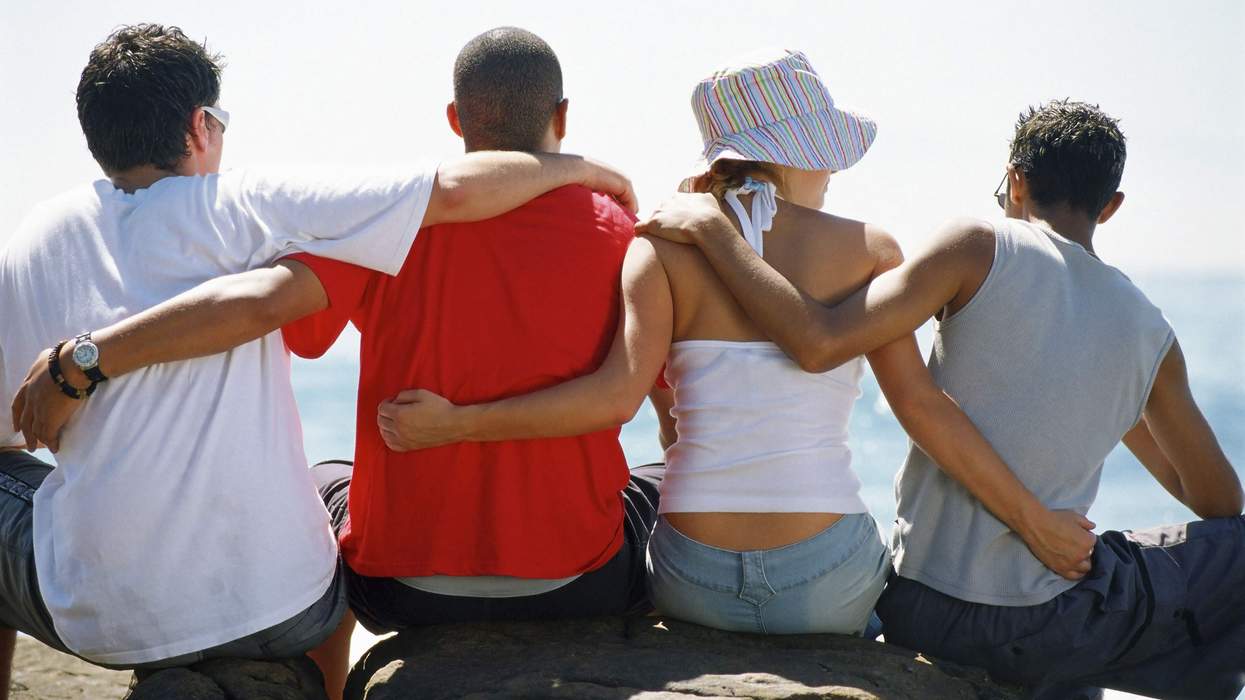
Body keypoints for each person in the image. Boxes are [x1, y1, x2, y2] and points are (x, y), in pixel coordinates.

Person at [9, 26, 648, 700]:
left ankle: (328, 686)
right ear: (563, 116)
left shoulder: (377, 231)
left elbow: (303, 334)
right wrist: (588, 173)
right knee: (648, 484)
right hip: (579, 577)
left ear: (455, 120)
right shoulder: (622, 230)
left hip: (401, 588)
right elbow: (655, 397)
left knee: (325, 481)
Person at [379, 50, 1096, 639]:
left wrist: (457, 424)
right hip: (824, 582)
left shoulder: (656, 244)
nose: (834, 171)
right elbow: (920, 407)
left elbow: (615, 397)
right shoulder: (869, 247)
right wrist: (1034, 522)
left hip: (691, 577)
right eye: (826, 154)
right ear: (795, 154)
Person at [634, 100, 1244, 699]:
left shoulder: (976, 245)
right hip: (1051, 616)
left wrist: (717, 230)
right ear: (1111, 208)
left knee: (1064, 662)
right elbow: (1218, 501)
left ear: (1014, 181)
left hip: (923, 606)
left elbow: (826, 343)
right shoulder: (1149, 333)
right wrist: (1119, 400)